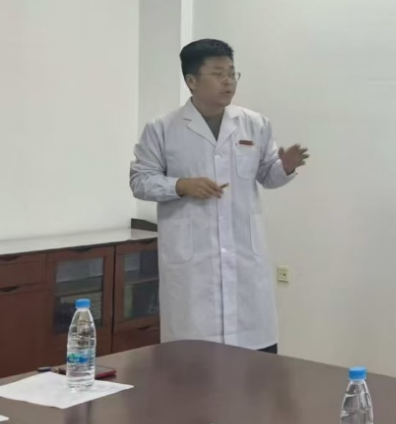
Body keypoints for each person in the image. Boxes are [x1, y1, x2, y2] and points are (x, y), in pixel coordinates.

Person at [130, 39, 307, 353]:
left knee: (256, 362)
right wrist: (180, 186)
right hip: (193, 268)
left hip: (245, 260)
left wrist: (286, 167)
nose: (228, 82)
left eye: (232, 73)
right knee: (194, 362)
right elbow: (140, 181)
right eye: (218, 74)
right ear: (192, 81)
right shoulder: (163, 128)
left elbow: (268, 176)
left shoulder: (254, 123)